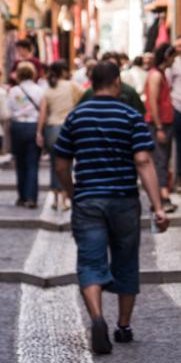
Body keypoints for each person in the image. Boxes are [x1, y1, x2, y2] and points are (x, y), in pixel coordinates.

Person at [55, 61, 169, 355]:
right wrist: (158, 206)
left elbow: (61, 162)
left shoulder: (76, 116)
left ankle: (96, 317)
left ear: (91, 83)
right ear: (117, 82)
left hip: (88, 200)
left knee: (90, 263)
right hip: (123, 200)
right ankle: (123, 326)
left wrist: (71, 192)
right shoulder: (130, 116)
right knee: (126, 261)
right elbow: (144, 162)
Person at [36, 60, 82, 211]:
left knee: (54, 165)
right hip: (68, 129)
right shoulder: (71, 85)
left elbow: (43, 113)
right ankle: (65, 199)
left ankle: (55, 198)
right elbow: (85, 97)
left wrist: (39, 132)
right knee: (67, 165)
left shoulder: (47, 89)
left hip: (51, 129)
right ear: (64, 71)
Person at [144, 42, 177, 213]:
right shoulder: (156, 75)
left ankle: (162, 196)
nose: (175, 60)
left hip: (164, 122)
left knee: (162, 159)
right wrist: (158, 127)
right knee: (160, 160)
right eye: (173, 57)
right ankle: (162, 197)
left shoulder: (160, 74)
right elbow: (153, 103)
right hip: (159, 123)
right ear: (167, 56)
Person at [8, 62, 43, 208]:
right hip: (33, 125)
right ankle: (32, 198)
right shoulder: (39, 90)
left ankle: (21, 197)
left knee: (20, 163)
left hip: (18, 126)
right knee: (32, 163)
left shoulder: (13, 91)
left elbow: (8, 109)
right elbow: (42, 110)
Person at [167, 35, 181, 190]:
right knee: (178, 145)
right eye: (177, 46)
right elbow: (168, 84)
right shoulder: (173, 64)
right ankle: (178, 179)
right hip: (177, 106)